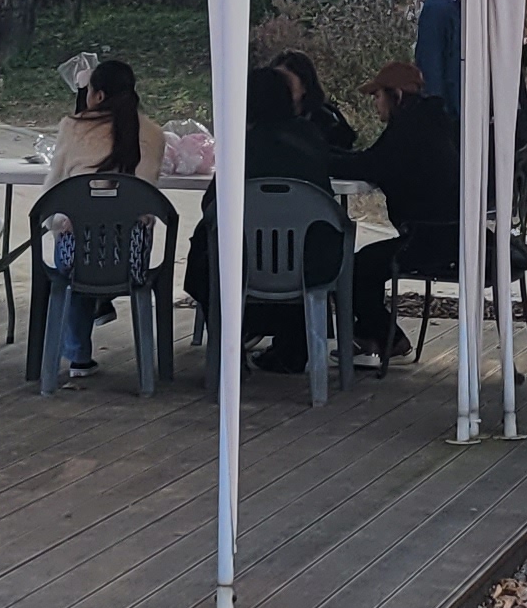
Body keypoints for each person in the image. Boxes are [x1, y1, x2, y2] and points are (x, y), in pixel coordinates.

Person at [182, 64, 338, 369]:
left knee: (205, 249)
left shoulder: (240, 147)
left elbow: (211, 206)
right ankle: (293, 348)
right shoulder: (311, 136)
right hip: (312, 265)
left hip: (243, 266)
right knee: (301, 241)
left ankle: (229, 354)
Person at [39, 58, 169, 380]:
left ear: (97, 95)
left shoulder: (73, 128)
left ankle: (78, 355)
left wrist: (58, 225)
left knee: (73, 242)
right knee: (111, 236)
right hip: (130, 259)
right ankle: (102, 300)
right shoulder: (154, 134)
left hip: (78, 258)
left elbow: (51, 193)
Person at [347, 58, 460, 365]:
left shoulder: (408, 130)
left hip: (429, 239)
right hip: (446, 233)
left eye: (377, 95)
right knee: (366, 264)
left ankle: (388, 340)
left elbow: (370, 165)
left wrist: (320, 159)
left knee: (358, 267)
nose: (375, 103)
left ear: (396, 95)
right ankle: (370, 337)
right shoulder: (433, 122)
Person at [271, 50, 357, 156]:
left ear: (304, 85)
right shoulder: (264, 121)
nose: (280, 86)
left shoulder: (328, 124)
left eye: (287, 81)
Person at [413, 0, 463, 109]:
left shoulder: (473, 4)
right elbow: (430, 60)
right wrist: (438, 108)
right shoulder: (436, 6)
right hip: (451, 108)